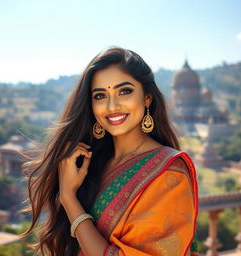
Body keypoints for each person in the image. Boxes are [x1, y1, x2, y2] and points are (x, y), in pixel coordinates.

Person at [21, 47, 198, 256]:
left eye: (124, 91)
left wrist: (69, 198)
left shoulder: (169, 173)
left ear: (147, 98)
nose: (112, 106)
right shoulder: (90, 162)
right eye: (100, 95)